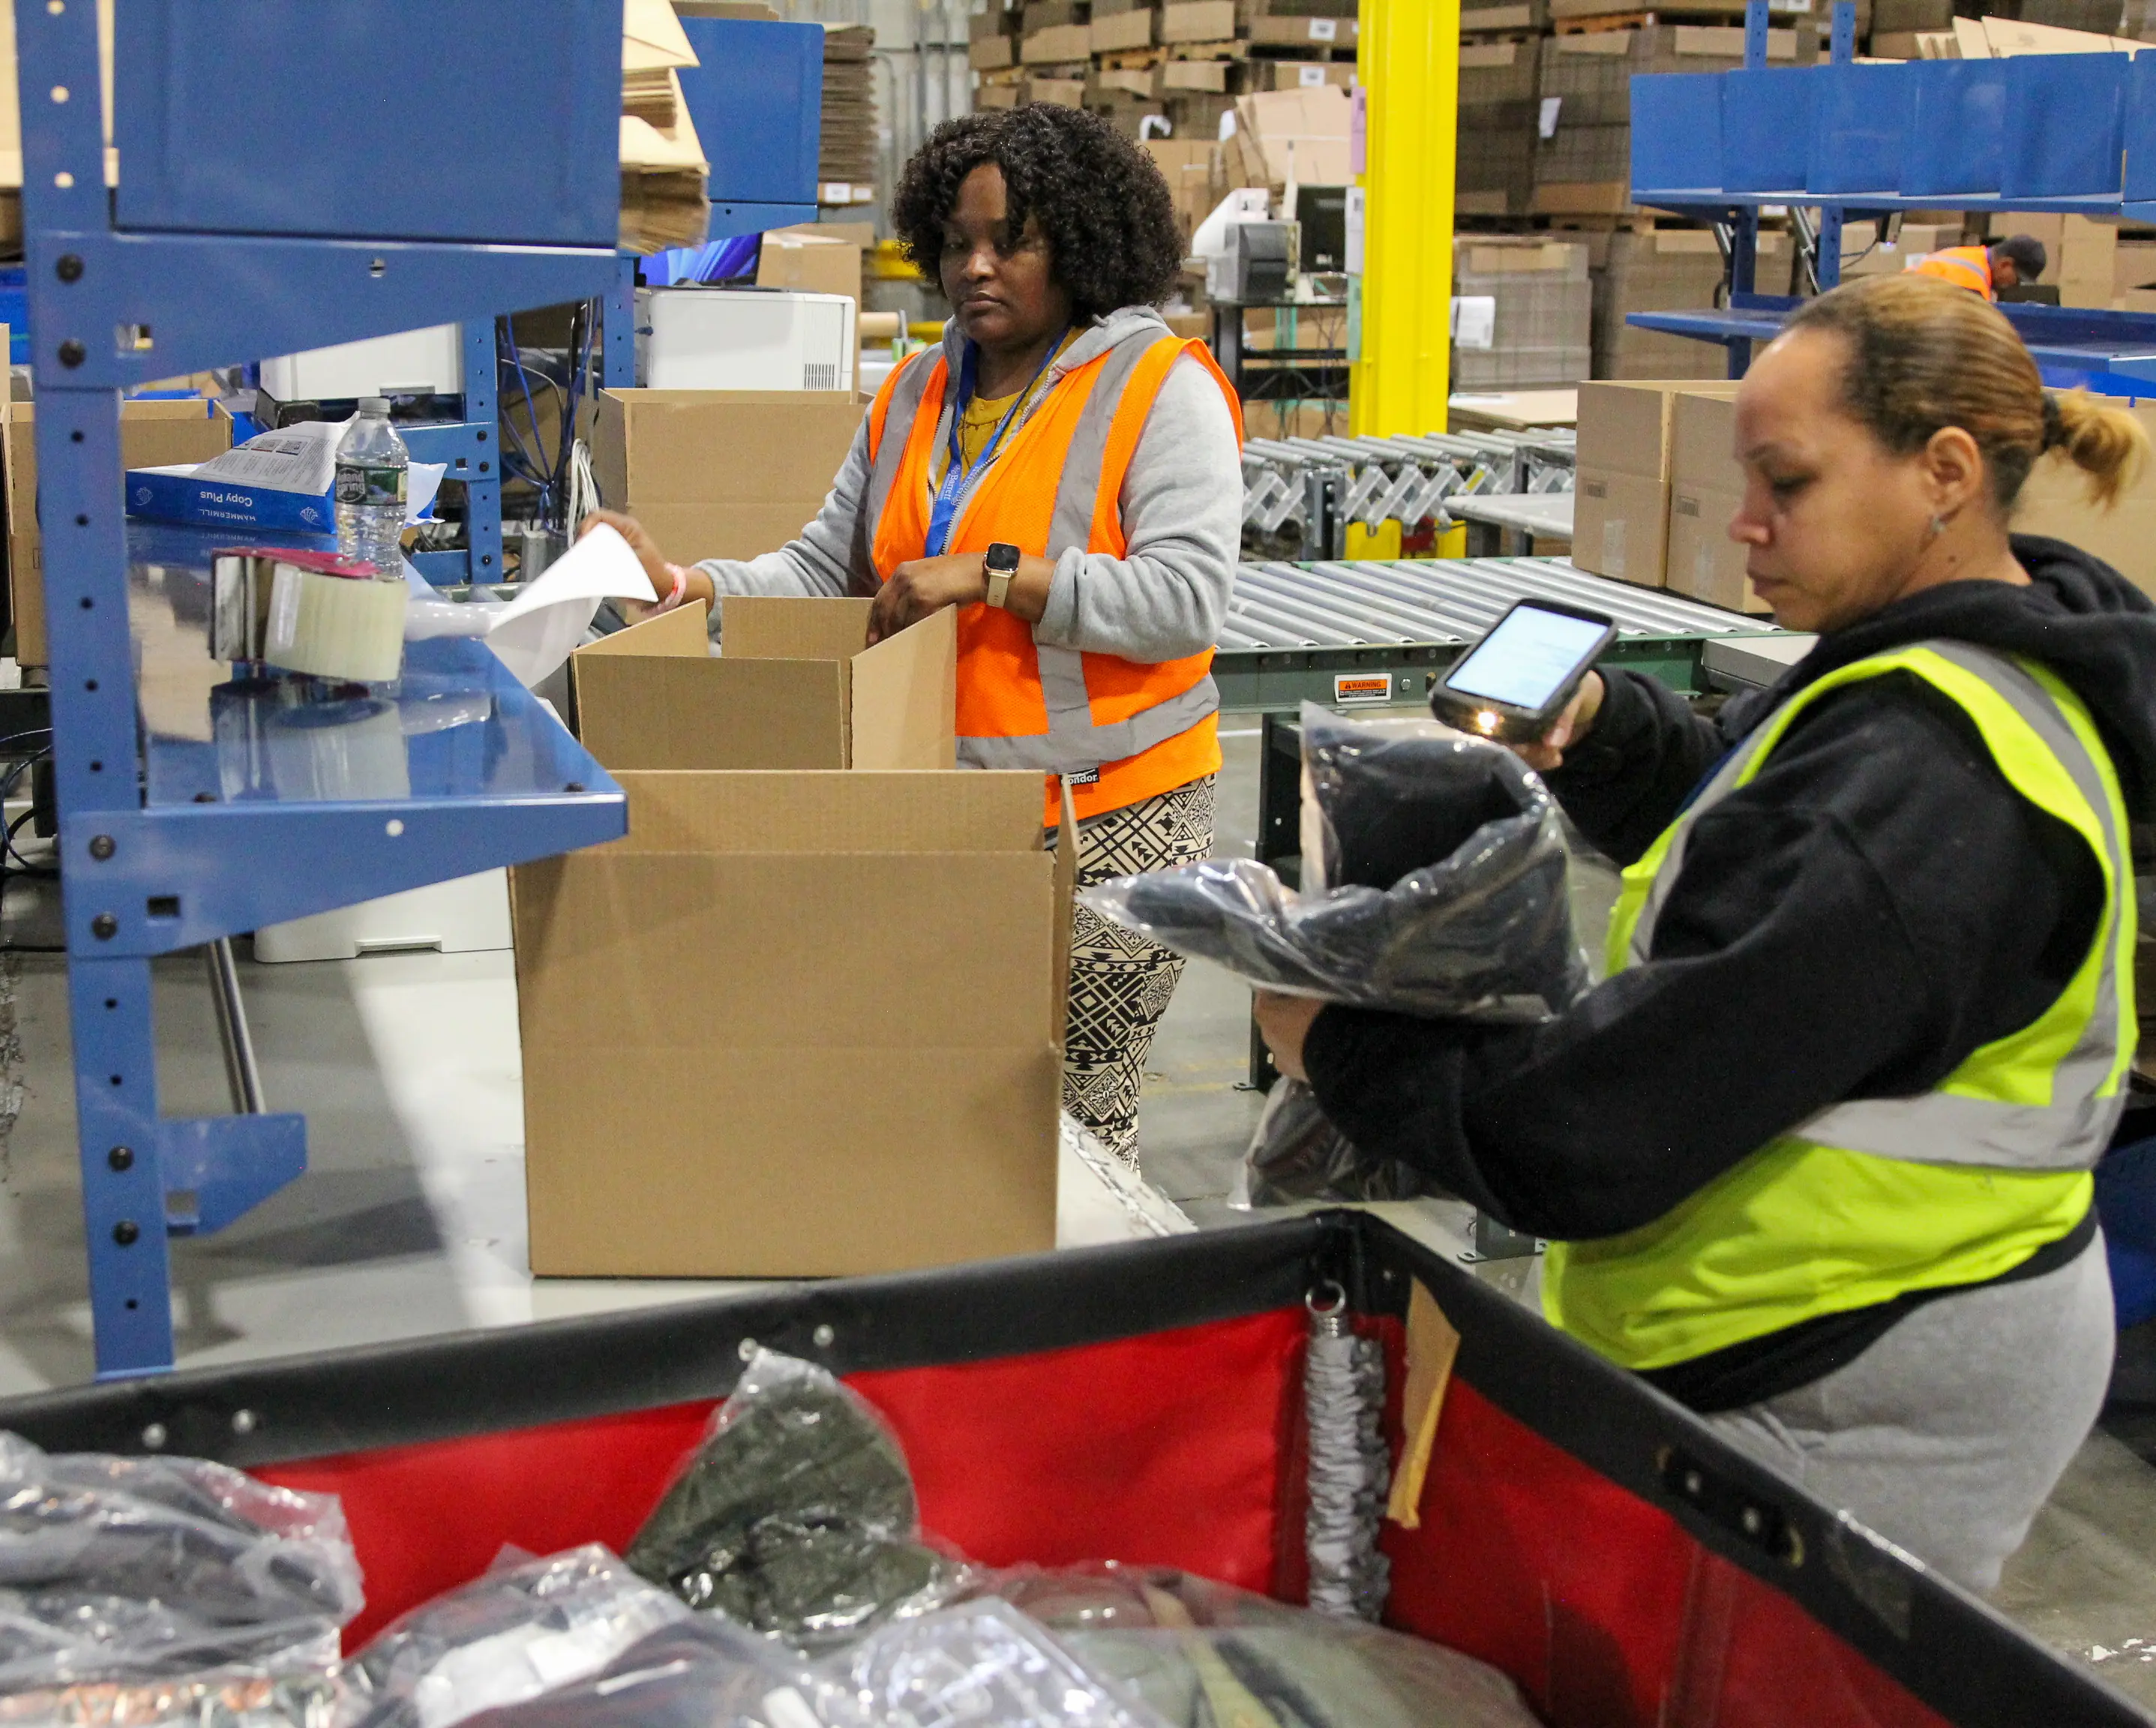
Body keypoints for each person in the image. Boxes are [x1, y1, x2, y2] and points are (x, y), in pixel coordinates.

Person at [1255, 272, 2156, 1592]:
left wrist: (1334, 1041)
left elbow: (1596, 1127)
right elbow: (1758, 811)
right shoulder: (1960, 657)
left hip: (1846, 1367)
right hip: (1876, 1313)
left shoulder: (1920, 781)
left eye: (1785, 482)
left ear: (1944, 470)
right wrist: (1611, 732)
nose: (1742, 523)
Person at [584, 105, 1243, 1171]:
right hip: (944, 807)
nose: (975, 268)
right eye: (954, 243)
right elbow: (823, 571)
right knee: (946, 1108)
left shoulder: (1159, 391)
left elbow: (1184, 600)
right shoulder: (916, 391)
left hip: (1110, 814)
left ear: (1076, 241)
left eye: (1009, 241)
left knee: (1067, 1125)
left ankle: (1075, 1325)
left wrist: (994, 578)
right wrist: (684, 585)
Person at [1914, 232, 2046, 301]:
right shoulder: (1973, 285)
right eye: (2018, 279)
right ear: (2005, 264)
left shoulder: (1971, 255)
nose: (2015, 285)